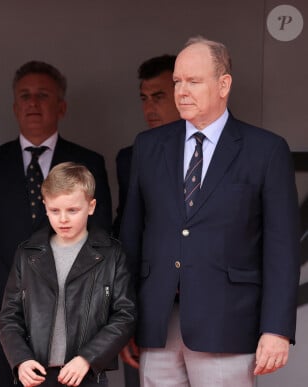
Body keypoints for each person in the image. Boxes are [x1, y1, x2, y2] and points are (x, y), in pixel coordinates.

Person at [120, 36, 300, 386]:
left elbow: (282, 249)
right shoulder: (148, 147)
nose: (181, 90)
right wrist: (123, 321)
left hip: (228, 324)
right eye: (177, 81)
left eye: (193, 81)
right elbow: (132, 237)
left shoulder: (266, 150)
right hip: (157, 324)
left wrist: (277, 328)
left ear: (223, 84)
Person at [0, 60, 113, 387]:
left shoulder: (89, 162)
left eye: (43, 95)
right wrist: (19, 289)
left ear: (61, 106)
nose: (33, 102)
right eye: (25, 96)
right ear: (15, 107)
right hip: (4, 314)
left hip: (71, 318)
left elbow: (99, 238)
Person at [0, 162, 135, 387]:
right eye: (54, 210)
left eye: (72, 210)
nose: (63, 219)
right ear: (45, 206)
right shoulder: (27, 253)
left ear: (91, 206)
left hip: (87, 374)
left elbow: (125, 315)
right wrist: (21, 360)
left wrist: (88, 358)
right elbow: (9, 316)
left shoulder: (112, 254)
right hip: (36, 375)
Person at [112, 54, 180, 237]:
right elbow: (127, 224)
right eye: (144, 99)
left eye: (158, 97)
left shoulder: (213, 148)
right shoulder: (129, 158)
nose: (149, 109)